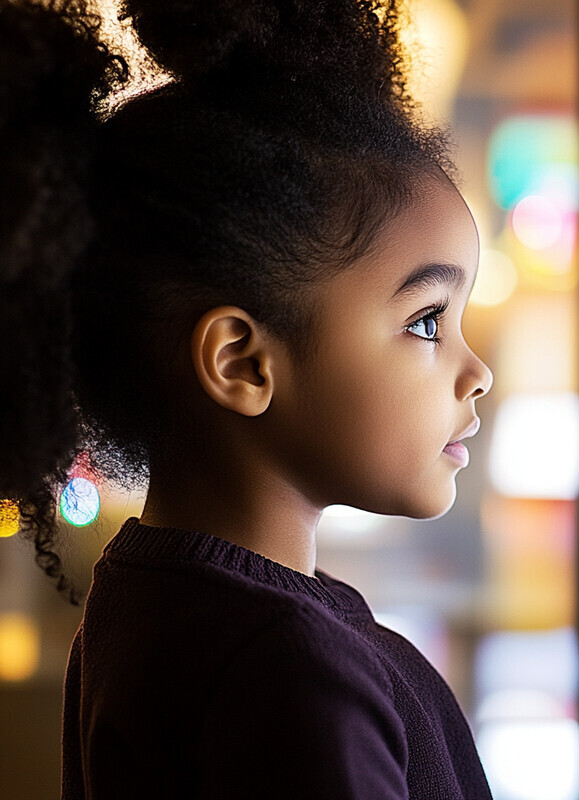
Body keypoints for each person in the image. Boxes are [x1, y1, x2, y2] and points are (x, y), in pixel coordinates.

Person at [0, 0, 494, 796]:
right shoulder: (284, 670)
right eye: (428, 321)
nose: (478, 372)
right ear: (242, 363)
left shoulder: (154, 598)